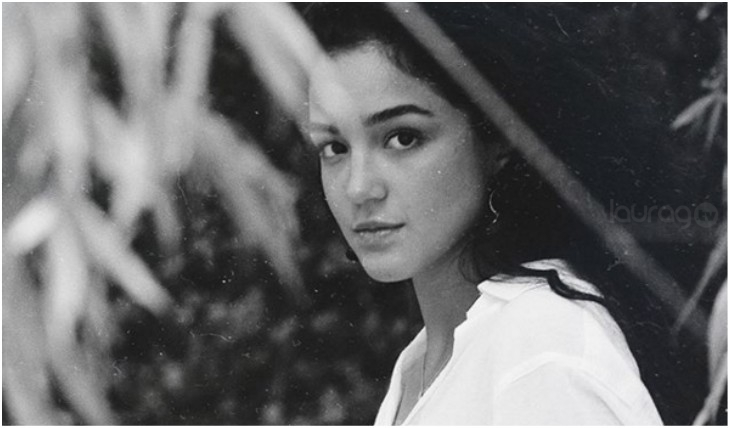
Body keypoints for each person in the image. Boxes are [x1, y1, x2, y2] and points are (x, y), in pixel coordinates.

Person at [303, 4, 664, 425]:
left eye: (403, 138)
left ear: (497, 139)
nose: (358, 188)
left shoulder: (541, 348)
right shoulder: (425, 360)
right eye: (335, 148)